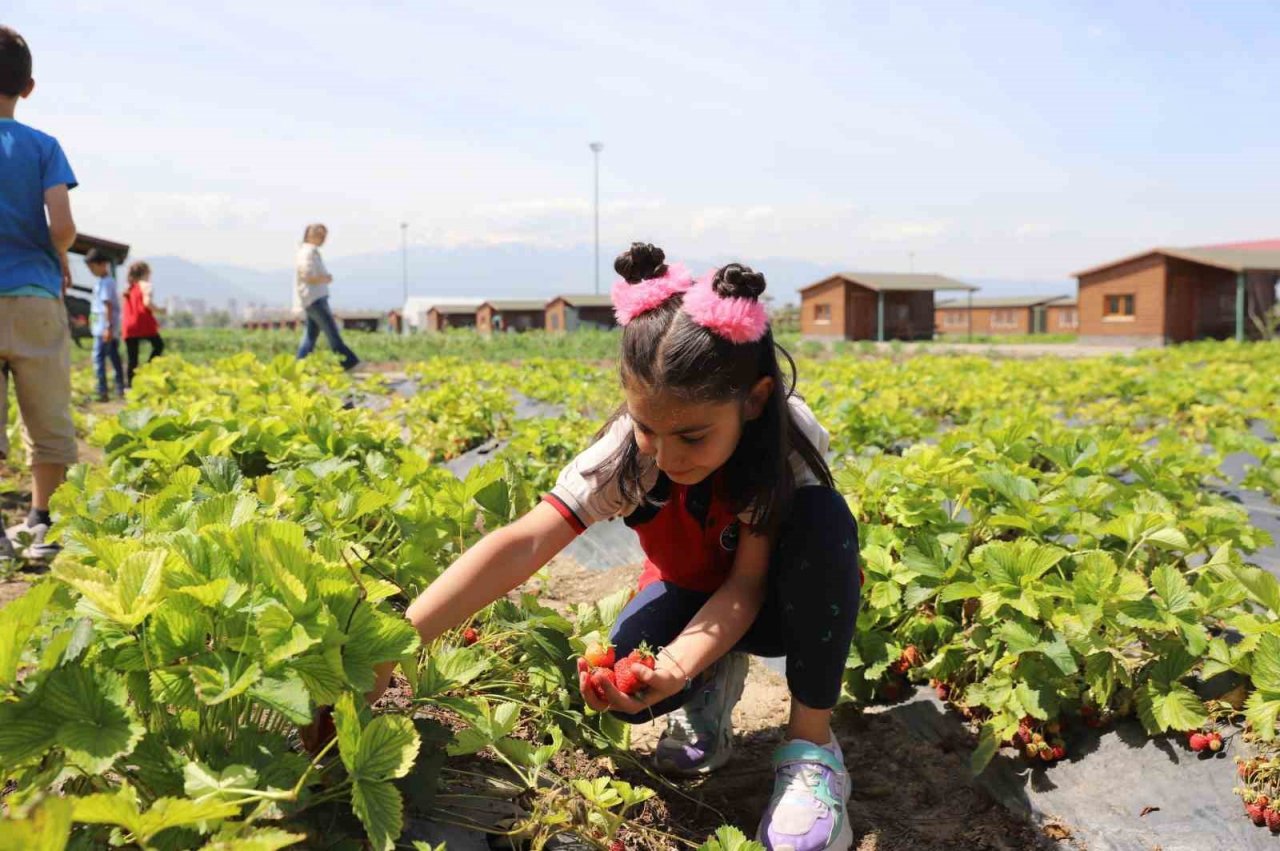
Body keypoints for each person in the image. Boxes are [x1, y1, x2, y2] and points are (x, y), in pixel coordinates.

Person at [368, 243, 862, 850]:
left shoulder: (784, 442)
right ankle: (709, 684)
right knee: (625, 694)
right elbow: (522, 544)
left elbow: (746, 586)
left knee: (824, 521)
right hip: (689, 590)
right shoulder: (627, 456)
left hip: (780, 607)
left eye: (692, 436)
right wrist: (390, 648)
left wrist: (679, 661)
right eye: (648, 427)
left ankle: (812, 750)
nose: (668, 456)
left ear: (754, 401)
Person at [0, 25, 79, 563]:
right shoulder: (44, 146)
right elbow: (62, 225)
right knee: (47, 415)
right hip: (33, 297)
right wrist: (60, 256)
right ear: (28, 87)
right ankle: (40, 522)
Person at [294, 223, 359, 370]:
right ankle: (350, 363)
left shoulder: (311, 251)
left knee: (310, 337)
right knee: (332, 334)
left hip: (313, 298)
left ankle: (299, 366)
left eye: (325, 236)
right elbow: (306, 274)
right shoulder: (307, 252)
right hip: (315, 299)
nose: (323, 239)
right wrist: (324, 278)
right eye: (320, 235)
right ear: (310, 235)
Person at [86, 247, 125, 401]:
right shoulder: (101, 282)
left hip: (104, 328)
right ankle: (117, 388)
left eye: (92, 267)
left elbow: (108, 305)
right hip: (101, 328)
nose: (91, 271)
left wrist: (108, 327)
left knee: (99, 359)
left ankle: (103, 390)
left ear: (102, 264)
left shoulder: (107, 283)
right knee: (112, 357)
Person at [122, 260, 164, 386]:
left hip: (129, 325)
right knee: (159, 346)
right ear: (146, 273)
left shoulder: (128, 288)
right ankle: (147, 370)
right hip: (142, 323)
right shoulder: (145, 285)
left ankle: (130, 386)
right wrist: (160, 310)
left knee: (132, 359)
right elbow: (147, 303)